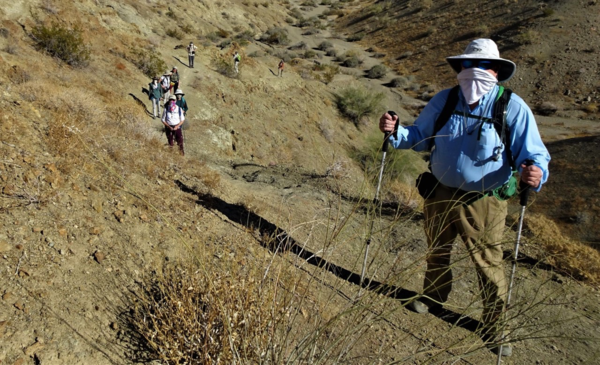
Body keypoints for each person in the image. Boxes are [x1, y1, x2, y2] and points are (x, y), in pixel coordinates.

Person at [378, 39, 550, 357]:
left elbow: (535, 155)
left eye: (482, 66)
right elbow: (418, 136)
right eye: (468, 66)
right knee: (437, 249)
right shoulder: (445, 101)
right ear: (460, 69)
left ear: (495, 71)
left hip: (484, 200)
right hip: (440, 191)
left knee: (488, 262)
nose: (474, 72)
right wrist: (395, 131)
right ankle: (432, 296)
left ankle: (496, 326)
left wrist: (535, 174)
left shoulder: (511, 107)